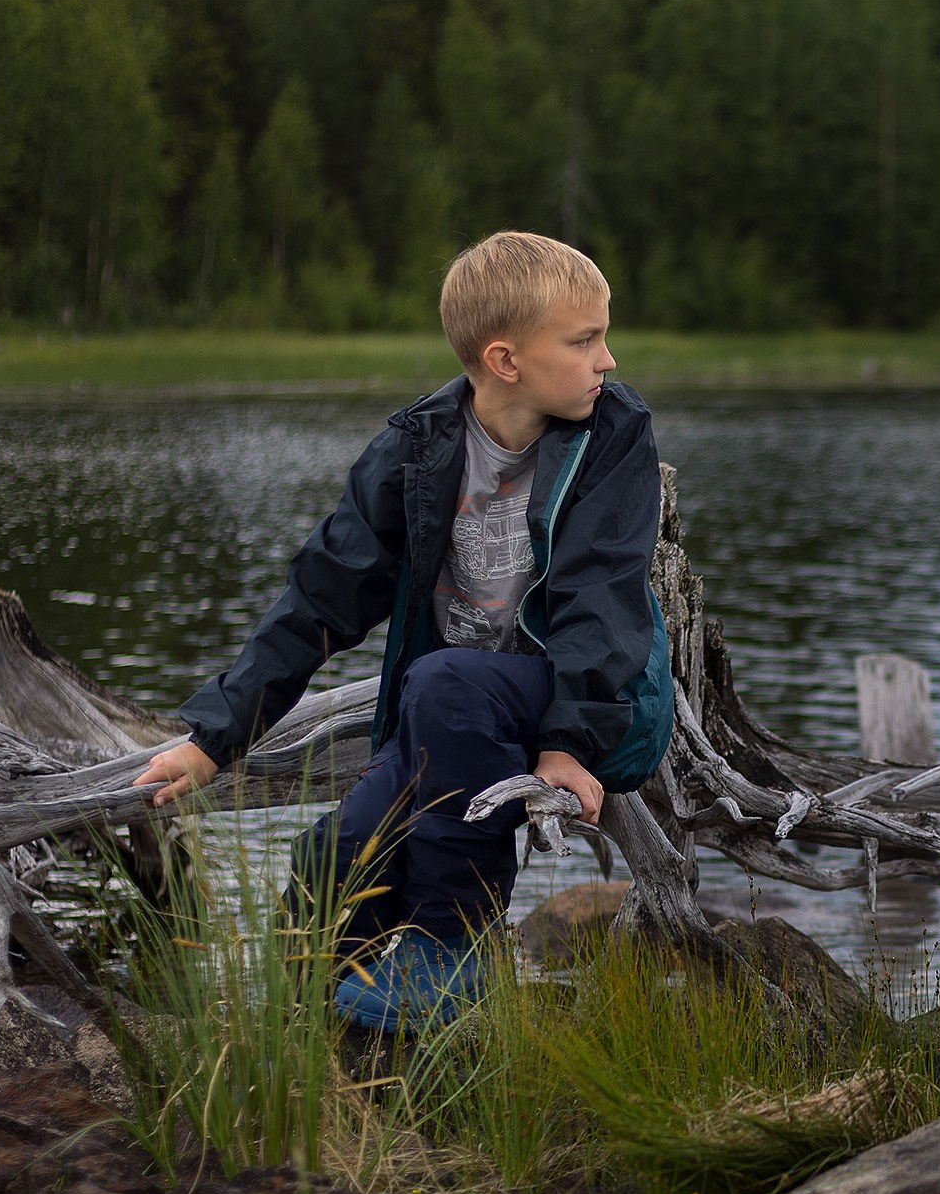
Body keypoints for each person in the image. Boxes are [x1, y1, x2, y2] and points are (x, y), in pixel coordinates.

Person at [132, 231, 673, 1031]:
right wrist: (214, 736)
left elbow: (602, 597)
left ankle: (454, 955)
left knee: (445, 679)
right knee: (328, 861)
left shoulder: (612, 437)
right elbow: (322, 595)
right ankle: (307, 1032)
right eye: (585, 339)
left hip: (594, 705)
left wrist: (569, 743)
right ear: (505, 359)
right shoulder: (417, 449)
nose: (609, 360)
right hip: (451, 717)